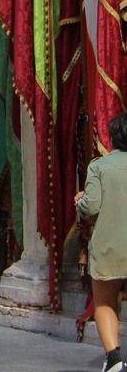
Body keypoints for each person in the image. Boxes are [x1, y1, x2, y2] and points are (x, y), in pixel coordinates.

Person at [79, 113, 127, 372]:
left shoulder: (99, 167)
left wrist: (80, 200)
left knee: (105, 303)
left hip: (109, 246)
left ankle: (114, 360)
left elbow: (92, 206)